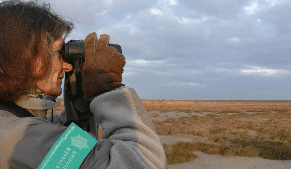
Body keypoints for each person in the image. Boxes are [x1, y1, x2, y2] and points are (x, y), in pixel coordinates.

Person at [0, 0, 169, 168]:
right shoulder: (23, 138)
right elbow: (146, 162)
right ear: (26, 58)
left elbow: (71, 146)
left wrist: (79, 100)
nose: (66, 66)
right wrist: (107, 88)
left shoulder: (14, 123)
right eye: (59, 53)